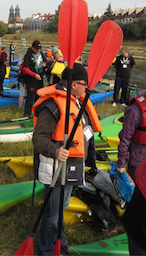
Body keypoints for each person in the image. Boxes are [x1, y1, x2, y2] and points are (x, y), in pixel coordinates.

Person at [32, 63, 102, 256]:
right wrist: (55, 151)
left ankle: (60, 242)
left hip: (71, 165)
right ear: (73, 84)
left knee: (62, 207)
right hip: (55, 165)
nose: (86, 90)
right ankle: (46, 250)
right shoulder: (53, 105)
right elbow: (38, 138)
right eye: (83, 85)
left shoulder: (76, 101)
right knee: (53, 213)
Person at [22, 40, 46, 117]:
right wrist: (34, 75)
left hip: (40, 79)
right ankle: (27, 114)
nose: (38, 50)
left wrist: (46, 65)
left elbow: (45, 62)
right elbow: (25, 68)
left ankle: (37, 113)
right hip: (32, 80)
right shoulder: (28, 55)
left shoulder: (41, 54)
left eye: (39, 48)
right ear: (32, 48)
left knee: (39, 97)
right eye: (36, 49)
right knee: (31, 97)